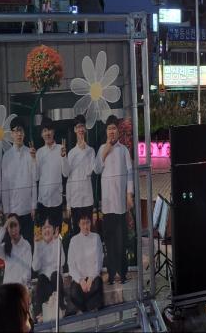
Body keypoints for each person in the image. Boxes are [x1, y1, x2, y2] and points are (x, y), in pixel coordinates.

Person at [94, 114, 133, 285]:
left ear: (118, 131)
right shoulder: (102, 149)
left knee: (121, 241)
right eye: (109, 128)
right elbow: (96, 169)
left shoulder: (123, 150)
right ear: (106, 131)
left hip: (121, 204)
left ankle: (122, 273)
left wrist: (129, 194)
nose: (112, 131)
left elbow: (130, 173)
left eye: (114, 128)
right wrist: (105, 151)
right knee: (109, 241)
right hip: (107, 204)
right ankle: (111, 274)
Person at [1, 117, 37, 250]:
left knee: (28, 244)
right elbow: (4, 186)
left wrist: (33, 205)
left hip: (27, 209)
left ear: (24, 133)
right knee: (13, 247)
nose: (19, 134)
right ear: (11, 134)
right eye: (15, 131)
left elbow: (34, 180)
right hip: (13, 210)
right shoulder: (7, 156)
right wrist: (6, 210)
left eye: (21, 131)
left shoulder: (30, 153)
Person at [63, 114, 95, 236]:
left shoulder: (91, 151)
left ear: (85, 129)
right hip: (75, 201)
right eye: (78, 127)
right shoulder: (71, 153)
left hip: (87, 199)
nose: (81, 129)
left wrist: (84, 149)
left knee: (88, 233)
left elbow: (89, 171)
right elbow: (67, 176)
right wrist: (68, 204)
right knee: (76, 234)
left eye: (82, 126)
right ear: (75, 130)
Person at [36, 116, 69, 229]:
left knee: (57, 234)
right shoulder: (39, 153)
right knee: (43, 234)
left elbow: (66, 173)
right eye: (44, 131)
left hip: (57, 201)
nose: (47, 133)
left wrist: (63, 157)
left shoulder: (61, 148)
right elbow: (36, 177)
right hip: (43, 201)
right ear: (41, 134)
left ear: (53, 131)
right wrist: (33, 161)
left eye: (49, 130)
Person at [67, 212, 104, 312]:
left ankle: (90, 309)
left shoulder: (96, 237)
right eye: (83, 223)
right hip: (80, 279)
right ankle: (87, 309)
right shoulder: (73, 241)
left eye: (87, 223)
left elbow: (99, 260)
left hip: (93, 277)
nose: (85, 226)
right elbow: (71, 264)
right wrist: (81, 280)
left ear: (90, 223)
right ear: (79, 224)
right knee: (74, 294)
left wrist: (91, 278)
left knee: (96, 287)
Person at [32, 215, 66, 317]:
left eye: (49, 227)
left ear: (54, 229)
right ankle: (39, 314)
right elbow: (35, 267)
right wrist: (36, 246)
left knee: (55, 275)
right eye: (44, 228)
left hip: (56, 282)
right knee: (41, 278)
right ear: (41, 230)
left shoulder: (57, 241)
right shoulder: (39, 244)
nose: (47, 230)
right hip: (45, 285)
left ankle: (61, 307)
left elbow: (62, 262)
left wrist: (56, 242)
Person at [0, 213, 32, 286]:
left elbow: (27, 271)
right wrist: (4, 226)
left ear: (20, 226)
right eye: (10, 226)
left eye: (15, 225)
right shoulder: (6, 246)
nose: (13, 230)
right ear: (7, 229)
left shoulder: (26, 245)